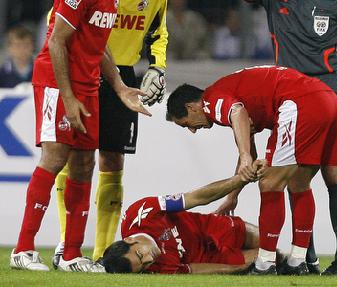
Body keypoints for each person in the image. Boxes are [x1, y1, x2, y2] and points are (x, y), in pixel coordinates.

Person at [9, 0, 150, 272]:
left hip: (88, 83)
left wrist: (120, 87)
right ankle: (23, 249)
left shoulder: (114, 2)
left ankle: (71, 254)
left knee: (85, 164)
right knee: (55, 157)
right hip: (56, 82)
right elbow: (56, 42)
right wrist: (68, 96)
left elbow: (100, 47)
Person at [235, 0, 337, 276]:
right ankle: (306, 259)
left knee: (333, 171)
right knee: (292, 175)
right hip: (288, 97)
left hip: (326, 91)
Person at [166, 65, 337, 275]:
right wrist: (233, 196)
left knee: (269, 183)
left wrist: (244, 156)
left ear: (191, 107)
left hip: (299, 103)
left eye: (186, 124)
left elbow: (238, 113)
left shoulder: (211, 100)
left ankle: (265, 263)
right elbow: (247, 147)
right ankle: (298, 260)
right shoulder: (232, 92)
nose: (193, 130)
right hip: (329, 101)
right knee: (299, 184)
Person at [52, 0, 168, 268]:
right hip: (82, 66)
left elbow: (159, 32)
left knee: (113, 160)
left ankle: (103, 254)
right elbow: (60, 23)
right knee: (73, 155)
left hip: (124, 73)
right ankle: (65, 242)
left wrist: (157, 66)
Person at [103, 160, 267, 274]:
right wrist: (236, 269)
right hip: (207, 258)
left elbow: (196, 198)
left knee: (269, 242)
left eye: (140, 254)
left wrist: (241, 179)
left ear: (130, 240)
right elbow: (191, 269)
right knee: (269, 260)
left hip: (209, 227)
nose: (149, 259)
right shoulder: (156, 270)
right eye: (143, 266)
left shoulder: (142, 213)